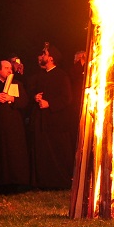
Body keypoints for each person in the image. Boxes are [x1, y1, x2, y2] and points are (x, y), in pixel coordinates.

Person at [27, 44, 74, 190]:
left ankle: (58, 182)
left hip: (55, 123)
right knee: (41, 152)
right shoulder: (40, 76)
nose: (42, 56)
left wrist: (50, 104)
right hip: (41, 122)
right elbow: (33, 91)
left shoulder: (61, 75)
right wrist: (35, 97)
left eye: (44, 54)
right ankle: (42, 182)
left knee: (56, 153)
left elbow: (67, 98)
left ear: (51, 58)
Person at [0, 59, 31, 192]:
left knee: (15, 152)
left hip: (15, 126)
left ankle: (17, 181)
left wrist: (12, 99)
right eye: (6, 68)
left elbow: (25, 102)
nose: (9, 70)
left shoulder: (17, 84)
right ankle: (1, 182)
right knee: (1, 153)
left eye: (10, 68)